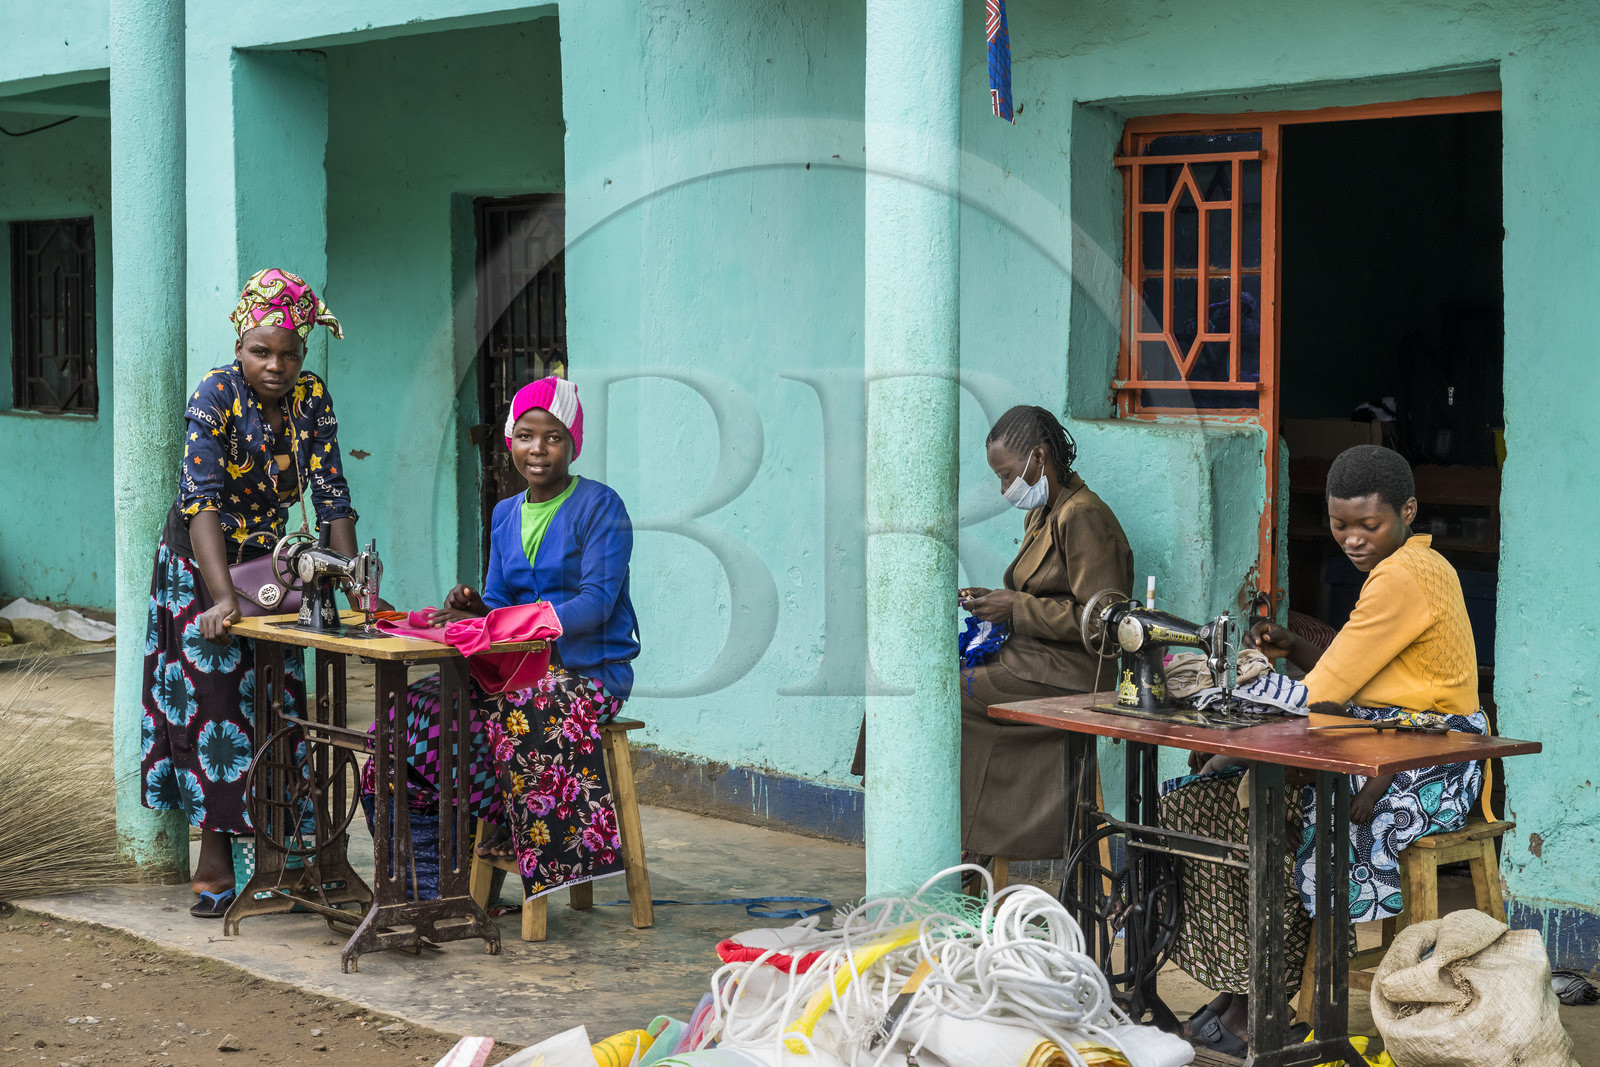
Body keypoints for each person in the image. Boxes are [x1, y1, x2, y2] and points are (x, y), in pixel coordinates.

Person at [1161, 444, 1486, 1054]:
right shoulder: (1411, 569)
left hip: (1424, 765)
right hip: (1391, 742)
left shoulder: (1402, 577)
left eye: (1370, 525)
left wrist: (1238, 693)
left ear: (1408, 511)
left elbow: (1321, 694)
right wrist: (1293, 647)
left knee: (1270, 815)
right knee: (1222, 799)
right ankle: (1241, 991)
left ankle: (1264, 1002)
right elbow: (1358, 671)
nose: (1353, 540)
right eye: (1340, 526)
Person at [141, 268, 365, 919]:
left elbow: (332, 497)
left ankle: (287, 858)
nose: (276, 364)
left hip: (272, 567)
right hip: (200, 568)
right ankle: (213, 855)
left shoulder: (311, 398)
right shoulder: (215, 394)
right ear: (240, 345)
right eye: (261, 351)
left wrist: (352, 583)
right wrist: (222, 599)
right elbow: (201, 504)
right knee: (217, 711)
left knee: (280, 702)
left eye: (289, 352)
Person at [369, 375, 641, 901]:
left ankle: (512, 825)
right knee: (411, 711)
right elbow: (499, 602)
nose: (537, 449)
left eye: (553, 436)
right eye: (525, 434)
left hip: (588, 675)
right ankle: (430, 887)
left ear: (573, 443)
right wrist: (474, 609)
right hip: (516, 670)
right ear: (509, 441)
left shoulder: (601, 507)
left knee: (503, 718)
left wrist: (518, 622)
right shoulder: (503, 514)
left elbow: (597, 603)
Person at [853, 405, 1134, 861]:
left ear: (1039, 458)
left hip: (1077, 672)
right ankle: (949, 838)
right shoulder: (1044, 512)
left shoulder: (1082, 516)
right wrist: (998, 602)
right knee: (917, 682)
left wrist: (1015, 607)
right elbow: (1041, 594)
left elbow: (1103, 622)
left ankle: (960, 848)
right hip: (1033, 657)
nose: (1006, 489)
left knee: (937, 700)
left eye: (1007, 476)